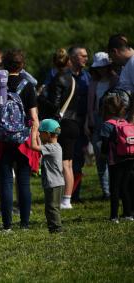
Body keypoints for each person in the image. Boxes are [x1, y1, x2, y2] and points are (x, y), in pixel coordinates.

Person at [0, 50, 39, 231]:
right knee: (23, 181)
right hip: (23, 139)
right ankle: (24, 223)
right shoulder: (28, 85)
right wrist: (35, 139)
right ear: (22, 65)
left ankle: (6, 225)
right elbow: (33, 117)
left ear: (4, 65)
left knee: (5, 182)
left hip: (0, 139)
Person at [44, 48, 79, 209]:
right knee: (69, 164)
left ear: (54, 63)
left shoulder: (57, 79)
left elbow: (55, 106)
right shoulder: (73, 79)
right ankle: (67, 199)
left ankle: (65, 199)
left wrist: (40, 98)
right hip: (74, 122)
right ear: (69, 61)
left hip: (63, 124)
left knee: (64, 164)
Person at [86, 52, 119, 200]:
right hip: (97, 121)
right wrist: (89, 121)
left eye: (103, 67)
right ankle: (106, 191)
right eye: (99, 67)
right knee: (100, 157)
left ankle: (115, 189)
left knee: (114, 157)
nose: (101, 70)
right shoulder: (93, 83)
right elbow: (90, 105)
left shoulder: (116, 80)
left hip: (112, 121)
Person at [100, 92, 134, 223]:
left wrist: (103, 155)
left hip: (115, 160)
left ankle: (114, 216)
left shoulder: (107, 125)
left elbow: (105, 144)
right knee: (125, 186)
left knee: (115, 188)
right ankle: (128, 214)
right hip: (130, 158)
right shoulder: (125, 122)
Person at [31, 119, 64, 233]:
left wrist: (33, 131)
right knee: (51, 207)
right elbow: (39, 146)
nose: (39, 134)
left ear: (48, 134)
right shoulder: (54, 146)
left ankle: (57, 229)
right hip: (54, 183)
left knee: (52, 208)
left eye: (41, 132)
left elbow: (33, 146)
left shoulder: (52, 147)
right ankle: (53, 227)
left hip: (53, 183)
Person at [68, 46, 91, 204]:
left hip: (83, 122)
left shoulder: (88, 77)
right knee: (66, 160)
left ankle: (75, 194)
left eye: (86, 56)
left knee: (78, 160)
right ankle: (65, 194)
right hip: (67, 123)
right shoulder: (62, 76)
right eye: (82, 55)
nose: (86, 58)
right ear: (73, 57)